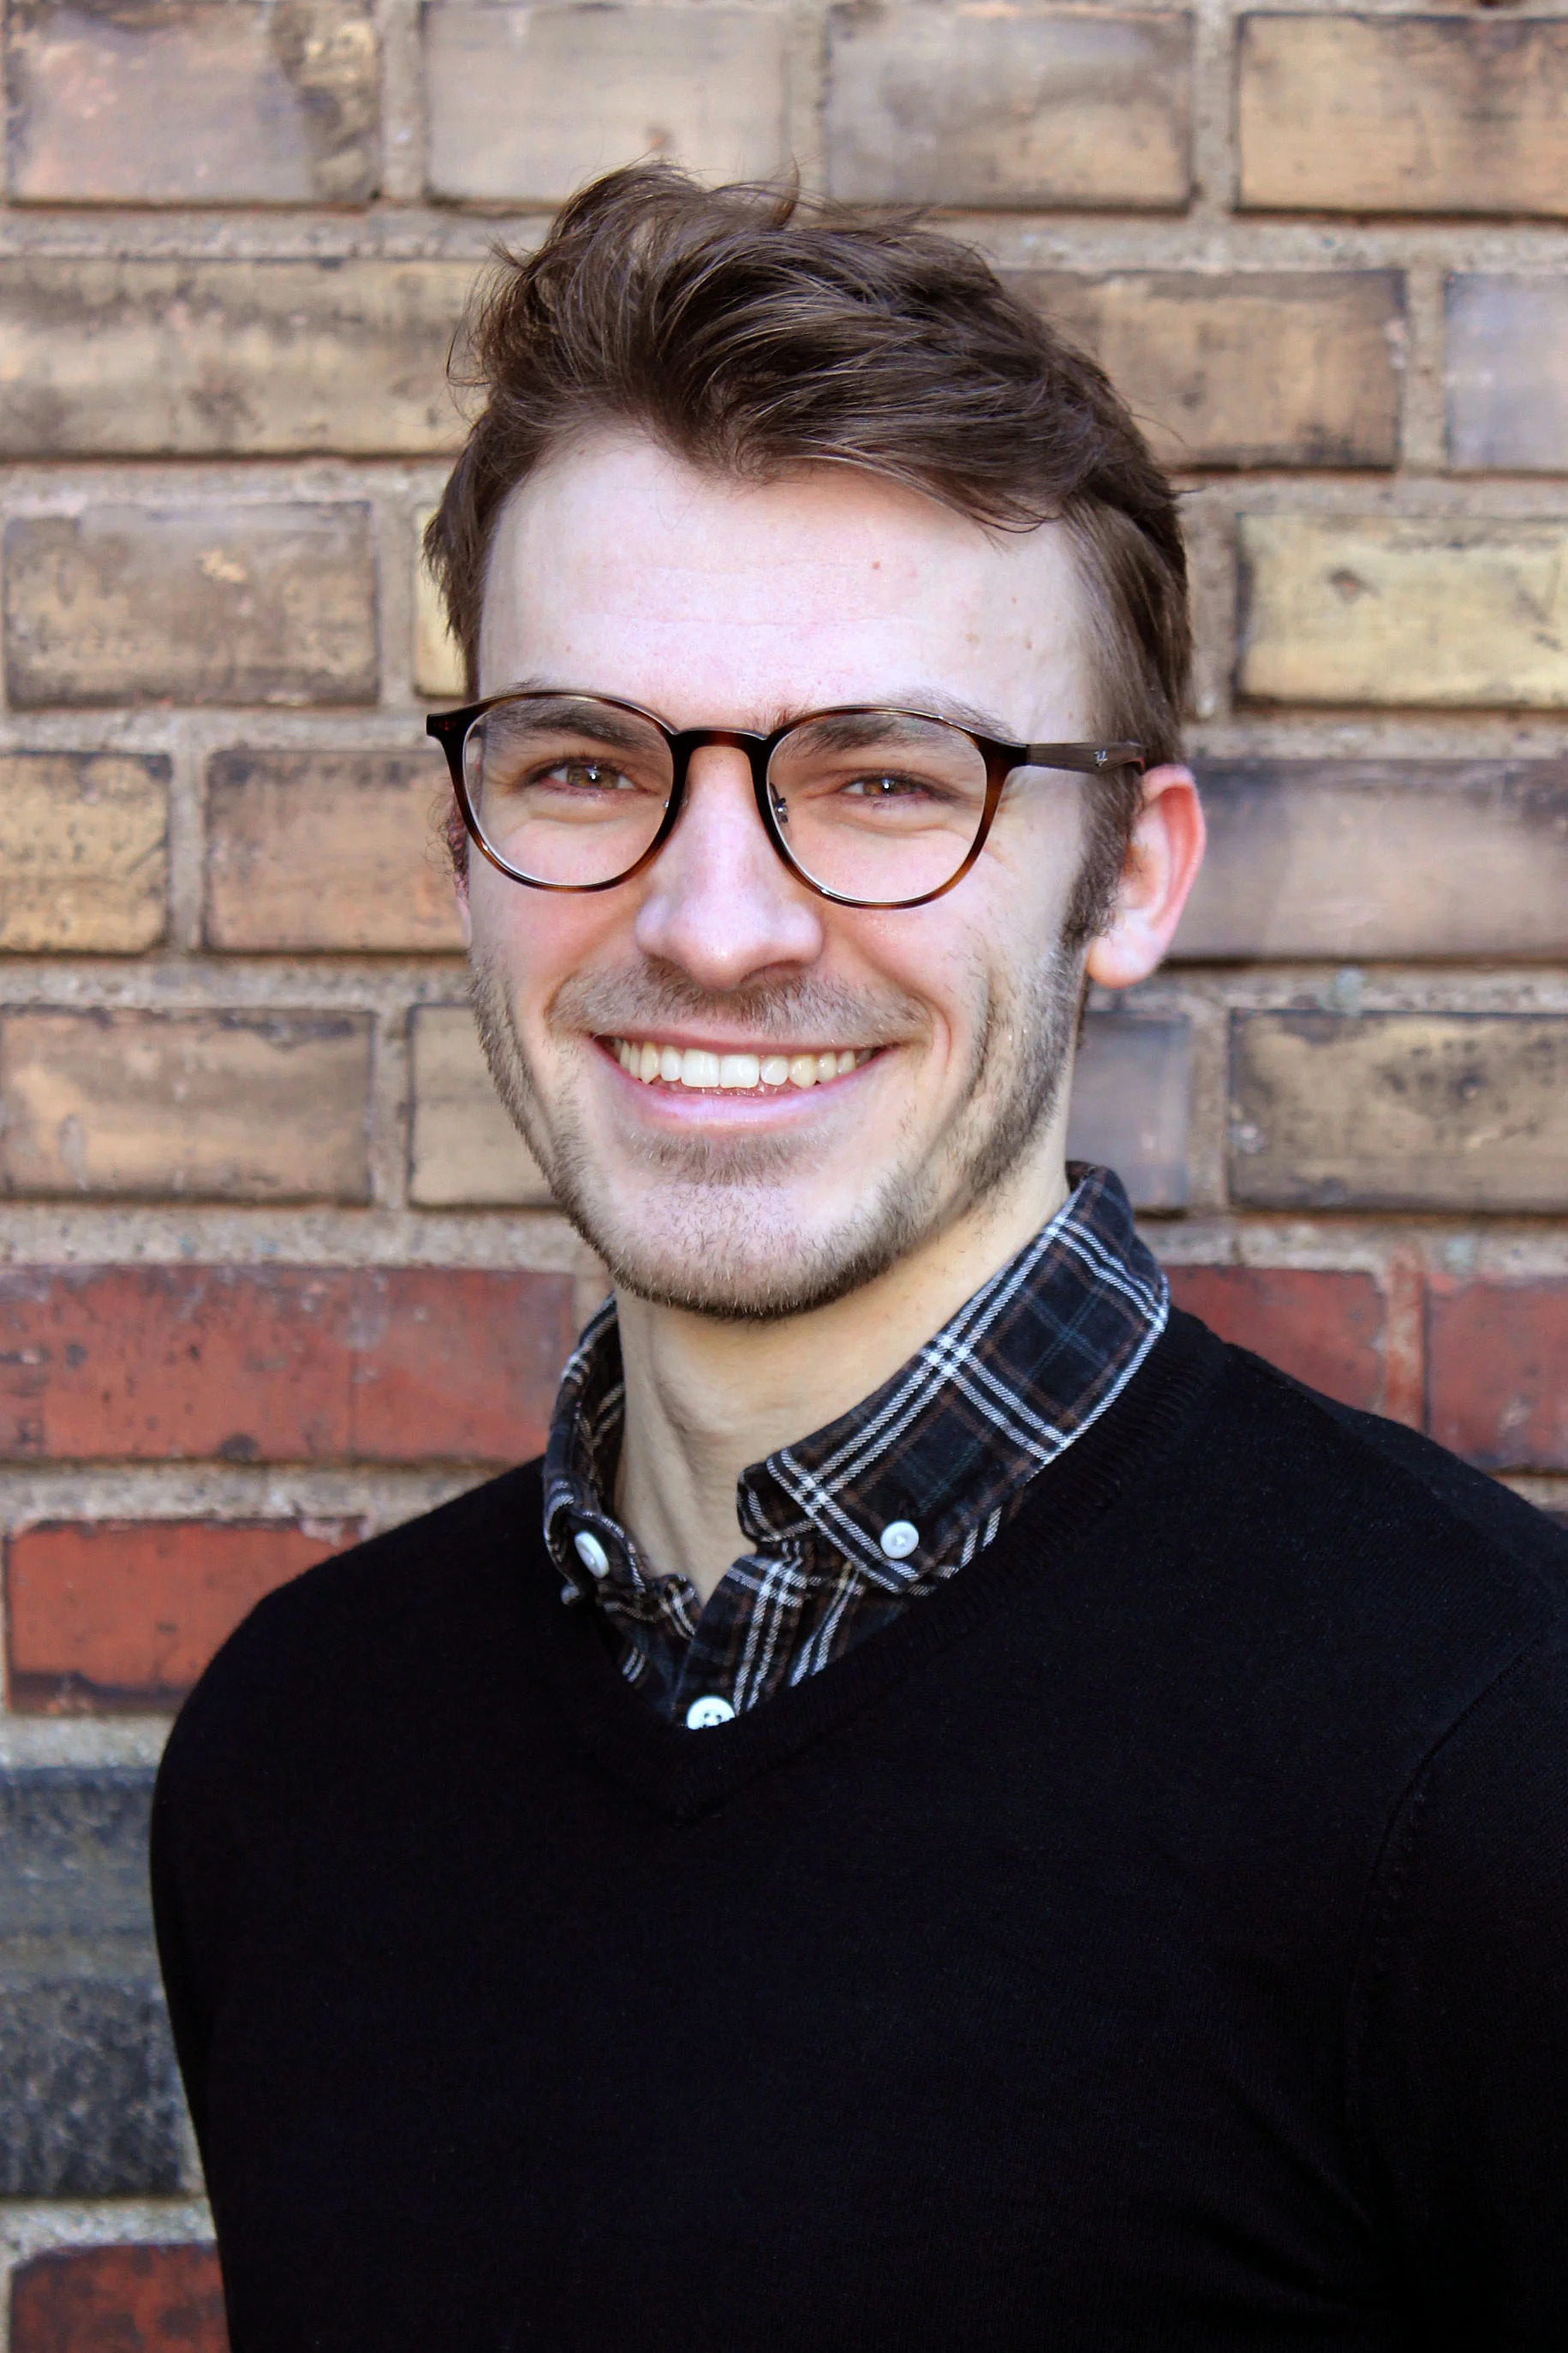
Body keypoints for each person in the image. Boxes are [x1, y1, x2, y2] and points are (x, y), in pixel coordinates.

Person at [152, 166, 1568, 2350]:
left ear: (1130, 874)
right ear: (463, 840)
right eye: (584, 762)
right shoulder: (297, 1752)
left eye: (889, 780)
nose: (714, 924)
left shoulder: (1487, 1759)